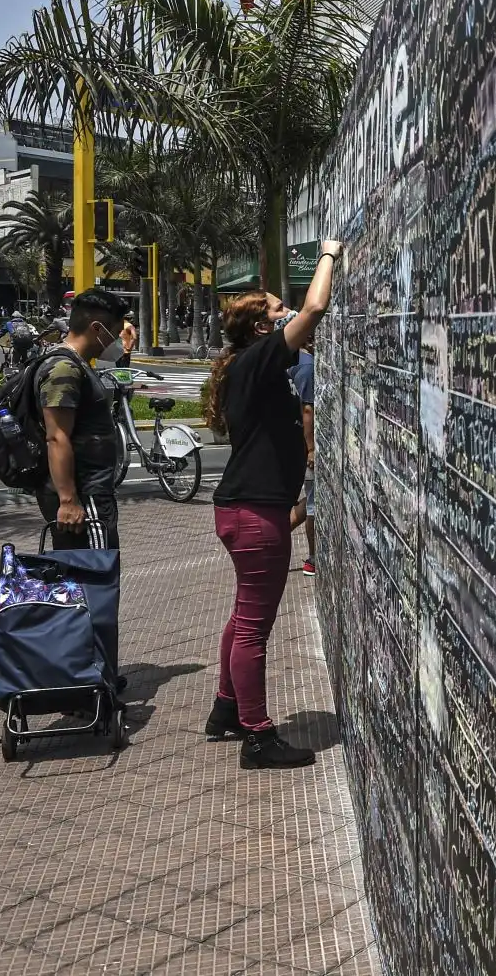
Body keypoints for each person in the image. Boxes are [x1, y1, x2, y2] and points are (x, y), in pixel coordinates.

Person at [202, 241, 341, 769]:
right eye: (276, 310)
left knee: (243, 616)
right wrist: (327, 255)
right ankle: (257, 737)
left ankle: (226, 709)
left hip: (246, 508)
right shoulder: (261, 359)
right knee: (254, 627)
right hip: (256, 513)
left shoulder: (245, 364)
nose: (287, 312)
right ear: (263, 329)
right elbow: (316, 310)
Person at [35, 289, 130, 551]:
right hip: (83, 496)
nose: (118, 340)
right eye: (117, 332)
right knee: (94, 577)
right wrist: (68, 500)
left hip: (90, 493)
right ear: (97, 328)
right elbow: (56, 436)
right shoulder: (63, 369)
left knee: (89, 580)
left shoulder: (78, 364)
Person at [288, 342, 316, 575]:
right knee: (314, 503)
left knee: (311, 499)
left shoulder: (293, 363)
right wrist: (311, 448)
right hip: (305, 444)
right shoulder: (307, 367)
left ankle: (271, 539)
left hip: (291, 440)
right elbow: (308, 410)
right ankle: (313, 559)